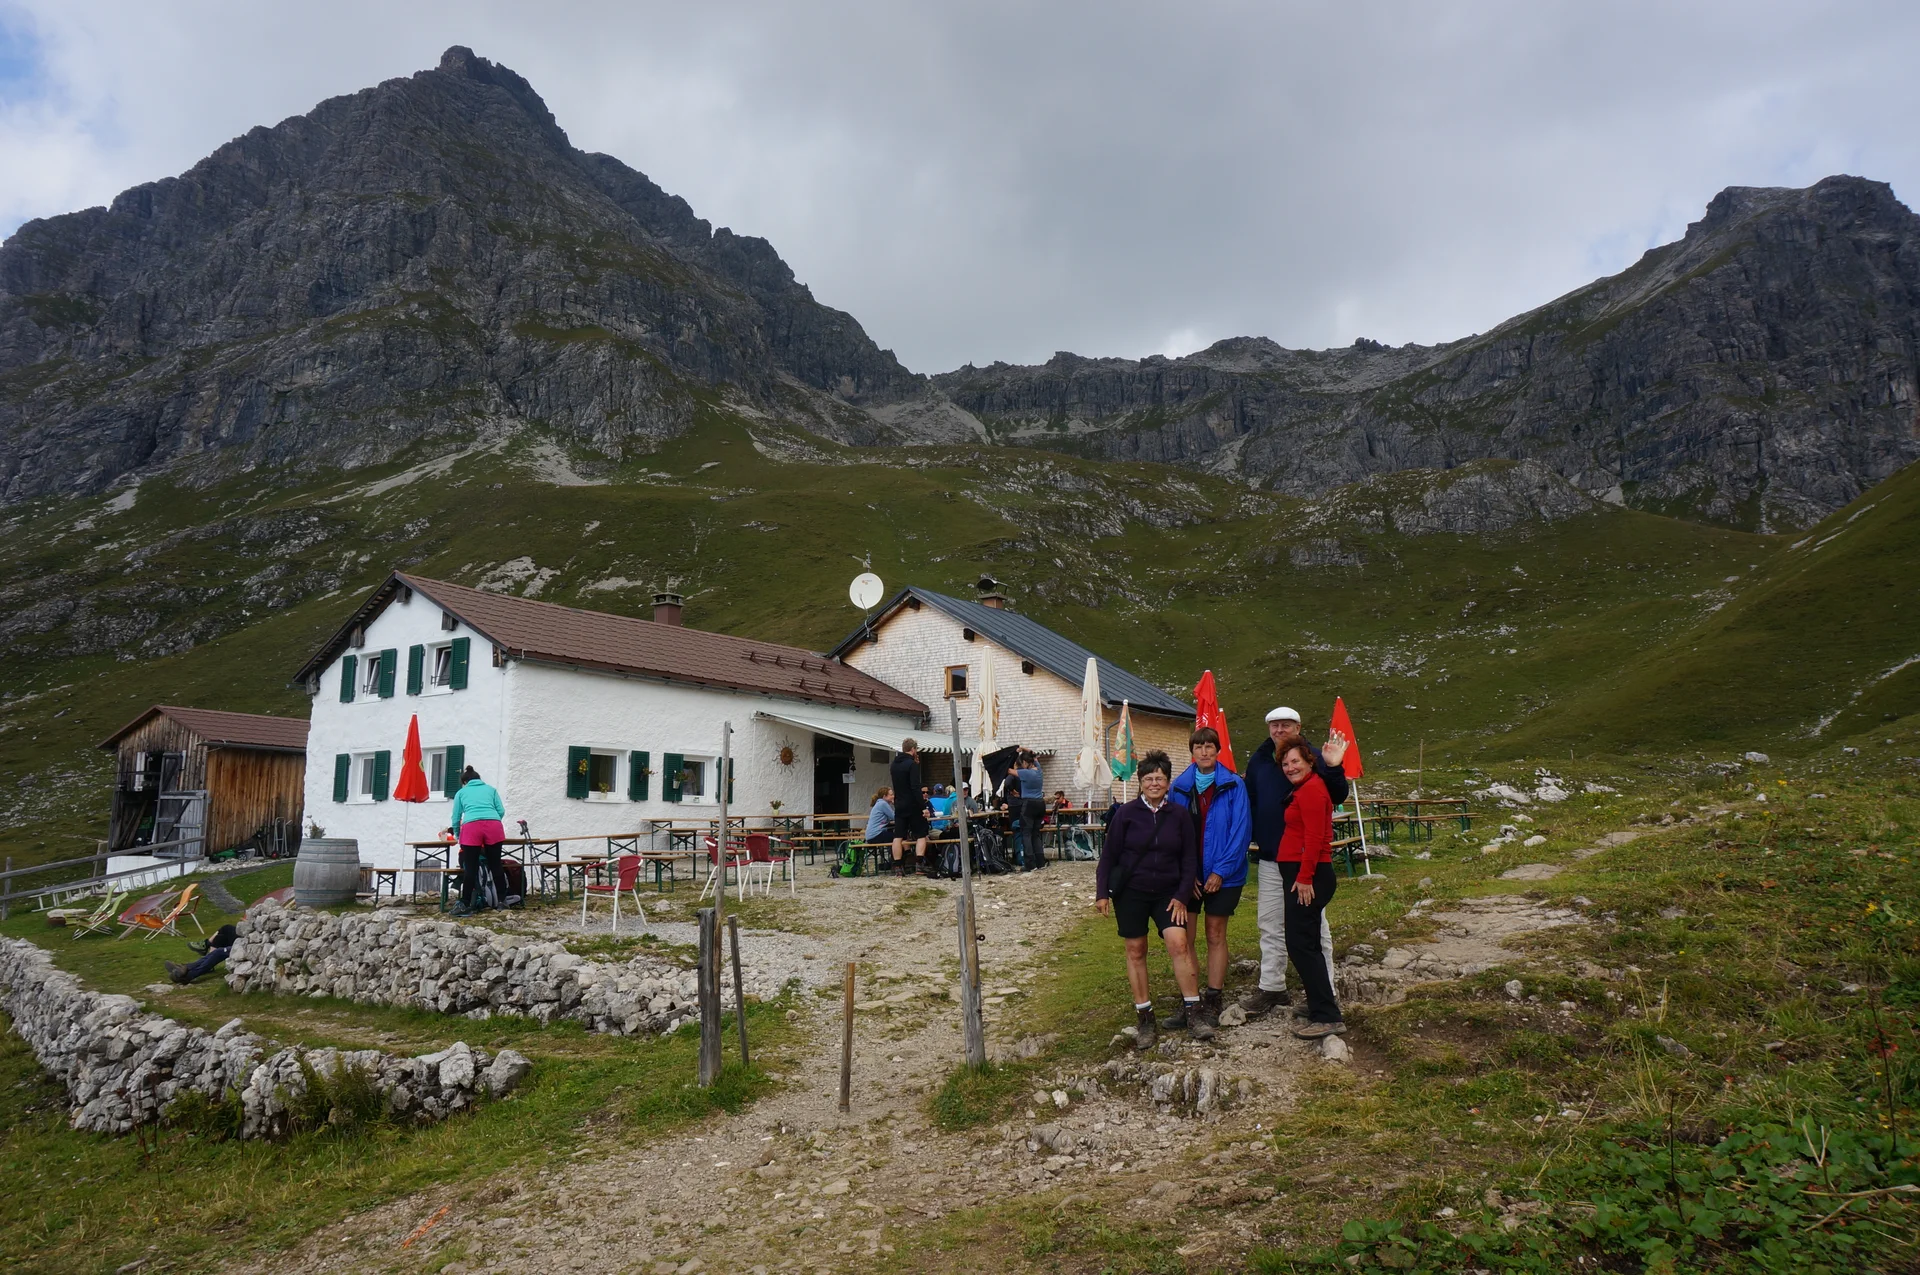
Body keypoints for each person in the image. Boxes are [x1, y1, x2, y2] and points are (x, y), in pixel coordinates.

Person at [1094, 751, 1212, 1048]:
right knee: (1136, 950)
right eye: (1149, 779)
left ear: (1168, 782)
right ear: (1140, 782)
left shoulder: (1180, 816)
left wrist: (1182, 896)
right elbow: (1108, 856)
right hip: (1131, 893)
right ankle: (1145, 1017)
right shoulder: (1125, 814)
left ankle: (1194, 1012)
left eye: (1160, 778)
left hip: (1169, 894)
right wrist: (1101, 893)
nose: (1154, 783)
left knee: (1179, 944)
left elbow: (1189, 859)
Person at [1241, 706, 1351, 1016]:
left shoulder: (1312, 757)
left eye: (1286, 725)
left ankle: (1325, 991)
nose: (1279, 730)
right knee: (1270, 923)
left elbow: (1337, 794)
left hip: (1306, 861)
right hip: (1271, 856)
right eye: (1274, 725)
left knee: (1314, 928)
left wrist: (1334, 767)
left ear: (1298, 727)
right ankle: (1272, 987)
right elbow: (1250, 800)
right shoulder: (1259, 760)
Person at [1168, 725, 1253, 1035]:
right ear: (1191, 751)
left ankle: (1214, 997)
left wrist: (1220, 871)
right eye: (1198, 747)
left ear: (1218, 750)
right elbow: (1172, 834)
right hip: (1189, 876)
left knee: (1215, 933)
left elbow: (1241, 831)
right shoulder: (1179, 787)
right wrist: (1185, 874)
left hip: (1225, 874)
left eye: (1209, 746)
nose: (1204, 752)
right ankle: (1191, 1001)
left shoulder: (1234, 784)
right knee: (1186, 937)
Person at [1275, 738, 1344, 1038]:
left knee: (1301, 944)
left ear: (1309, 762)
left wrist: (1304, 877)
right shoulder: (1305, 788)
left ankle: (1327, 1015)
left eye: (1295, 761)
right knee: (1307, 943)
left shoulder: (1313, 789)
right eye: (1285, 763)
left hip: (1308, 875)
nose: (1290, 767)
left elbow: (1315, 838)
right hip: (1303, 873)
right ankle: (1319, 1003)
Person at [449, 765, 511, 917]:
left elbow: (456, 817)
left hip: (471, 826)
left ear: (465, 782)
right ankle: (502, 901)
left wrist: (457, 833)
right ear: (479, 779)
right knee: (495, 864)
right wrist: (492, 819)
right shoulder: (491, 790)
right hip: (493, 825)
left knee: (471, 867)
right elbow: (501, 810)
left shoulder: (461, 793)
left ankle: (465, 903)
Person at [890, 739, 931, 876]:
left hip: (899, 804)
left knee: (898, 836)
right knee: (921, 834)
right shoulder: (911, 764)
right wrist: (923, 806)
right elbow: (915, 787)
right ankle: (919, 865)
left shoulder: (894, 765)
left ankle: (898, 867)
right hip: (913, 805)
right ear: (913, 749)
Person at [165, 922, 238, 985]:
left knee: (218, 952)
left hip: (244, 946)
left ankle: (188, 975)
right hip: (243, 940)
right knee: (221, 936)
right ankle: (192, 966)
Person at [1012, 750, 1047, 870]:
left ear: (1025, 762)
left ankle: (1030, 864)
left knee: (1026, 833)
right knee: (1035, 834)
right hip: (1040, 803)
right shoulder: (1039, 770)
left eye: (1022, 763)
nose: (1022, 765)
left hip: (1029, 804)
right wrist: (1023, 748)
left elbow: (1009, 771)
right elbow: (1034, 755)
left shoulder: (1026, 773)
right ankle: (1040, 862)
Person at [865, 787, 895, 855]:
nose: (893, 796)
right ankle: (899, 858)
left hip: (871, 836)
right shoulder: (883, 804)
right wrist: (896, 804)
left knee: (894, 836)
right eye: (891, 795)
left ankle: (894, 858)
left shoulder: (879, 803)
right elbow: (894, 817)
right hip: (875, 835)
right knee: (898, 838)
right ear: (884, 796)